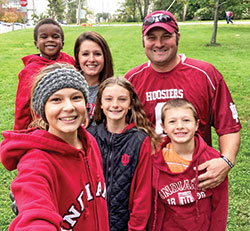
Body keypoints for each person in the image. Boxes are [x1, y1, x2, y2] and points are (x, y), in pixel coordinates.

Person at [125, 10, 241, 190]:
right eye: (151, 37)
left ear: (178, 37)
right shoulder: (132, 80)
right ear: (143, 41)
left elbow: (229, 126)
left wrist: (226, 161)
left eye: (166, 36)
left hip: (195, 179)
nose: (159, 43)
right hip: (149, 179)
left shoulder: (205, 74)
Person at [1, 63, 109, 231]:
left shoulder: (89, 142)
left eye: (76, 97)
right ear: (43, 108)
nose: (69, 107)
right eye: (56, 100)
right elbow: (34, 214)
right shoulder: (36, 162)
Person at [87, 76, 161, 231]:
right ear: (100, 103)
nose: (115, 105)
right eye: (108, 99)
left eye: (122, 99)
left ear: (130, 104)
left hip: (126, 225)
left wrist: (135, 228)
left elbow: (143, 194)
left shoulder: (140, 140)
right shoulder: (89, 137)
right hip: (94, 223)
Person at [149, 99, 228, 231]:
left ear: (197, 125)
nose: (179, 126)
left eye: (186, 120)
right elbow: (150, 203)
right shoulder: (154, 159)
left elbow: (220, 206)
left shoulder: (212, 161)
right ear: (163, 127)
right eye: (172, 121)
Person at [14, 18, 75, 130]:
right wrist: (20, 132)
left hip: (67, 118)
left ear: (62, 44)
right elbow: (22, 106)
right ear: (36, 44)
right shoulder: (30, 71)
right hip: (41, 125)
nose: (50, 40)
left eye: (55, 36)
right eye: (44, 37)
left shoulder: (69, 61)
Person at [74, 31, 114, 127]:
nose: (91, 59)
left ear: (105, 57)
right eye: (85, 54)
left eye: (97, 54)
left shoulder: (113, 89)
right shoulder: (67, 87)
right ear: (77, 57)